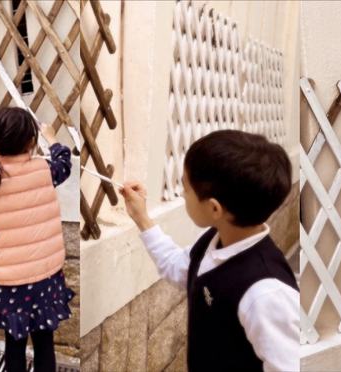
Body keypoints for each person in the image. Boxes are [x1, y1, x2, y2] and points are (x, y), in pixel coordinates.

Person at [120, 130, 301, 372]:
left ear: (215, 208)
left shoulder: (265, 294)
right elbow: (178, 267)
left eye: (186, 189)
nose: (183, 195)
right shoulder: (214, 240)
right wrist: (141, 217)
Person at [0, 107, 74, 372]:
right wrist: (52, 137)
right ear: (30, 142)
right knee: (44, 342)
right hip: (45, 278)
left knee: (14, 345)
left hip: (9, 285)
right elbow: (64, 162)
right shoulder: (44, 169)